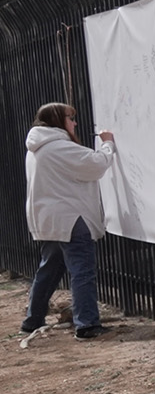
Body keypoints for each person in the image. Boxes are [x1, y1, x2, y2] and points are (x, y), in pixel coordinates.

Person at [21, 103, 116, 339]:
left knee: (49, 269)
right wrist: (108, 144)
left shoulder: (36, 147)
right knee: (82, 270)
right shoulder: (59, 147)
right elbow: (95, 165)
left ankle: (32, 320)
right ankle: (86, 324)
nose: (74, 123)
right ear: (57, 120)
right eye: (70, 118)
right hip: (71, 217)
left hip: (48, 219)